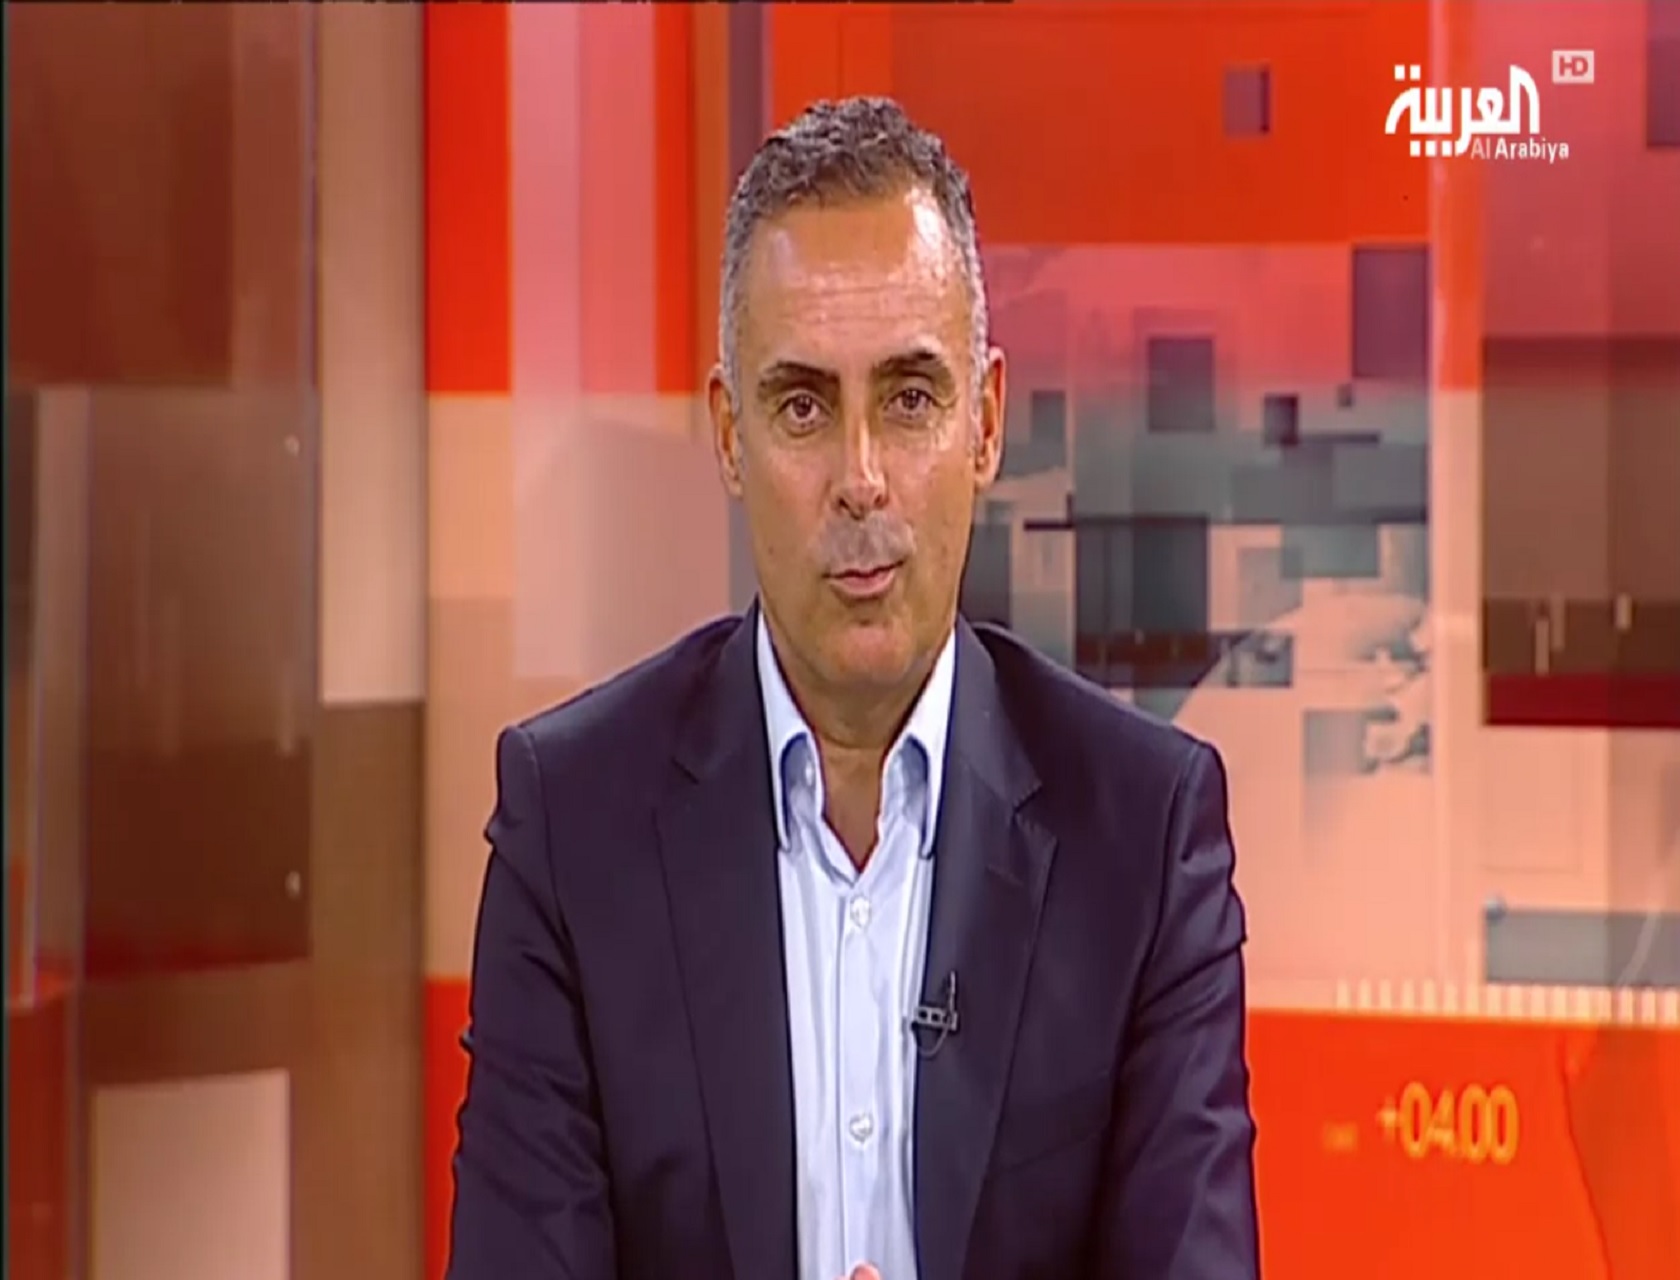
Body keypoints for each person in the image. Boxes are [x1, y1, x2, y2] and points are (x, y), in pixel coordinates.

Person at [447, 96, 1259, 1280]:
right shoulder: (572, 823)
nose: (861, 478)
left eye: (911, 398)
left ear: (986, 423)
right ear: (730, 435)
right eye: (802, 406)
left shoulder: (1142, 833)